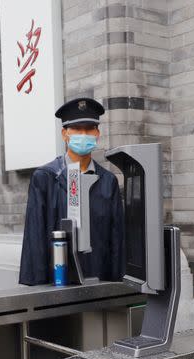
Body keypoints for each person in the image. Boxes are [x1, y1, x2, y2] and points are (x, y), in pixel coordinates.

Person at [19, 97, 124, 285]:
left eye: (89, 128)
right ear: (64, 134)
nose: (84, 134)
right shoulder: (45, 178)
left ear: (97, 133)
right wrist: (40, 293)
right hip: (57, 284)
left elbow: (117, 242)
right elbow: (35, 241)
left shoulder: (108, 182)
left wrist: (117, 288)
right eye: (76, 129)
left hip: (99, 283)